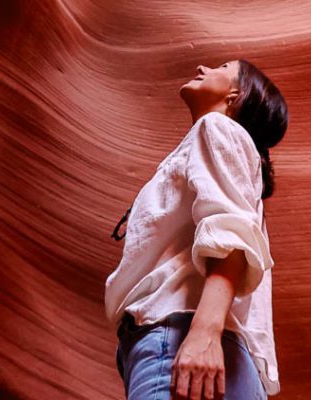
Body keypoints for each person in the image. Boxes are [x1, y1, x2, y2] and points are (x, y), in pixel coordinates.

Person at [105, 59, 289, 399]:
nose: (204, 67)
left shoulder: (216, 129)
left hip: (181, 335)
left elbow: (231, 238)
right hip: (222, 357)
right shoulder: (225, 146)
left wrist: (204, 333)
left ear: (236, 93)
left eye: (221, 66)